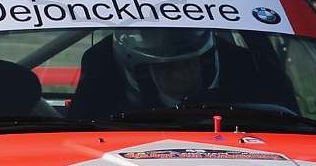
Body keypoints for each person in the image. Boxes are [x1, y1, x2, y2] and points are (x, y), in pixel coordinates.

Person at [67, 27, 288, 122]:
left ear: (207, 60)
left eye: (189, 63)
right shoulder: (99, 109)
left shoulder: (249, 82)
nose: (181, 74)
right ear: (138, 70)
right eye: (166, 67)